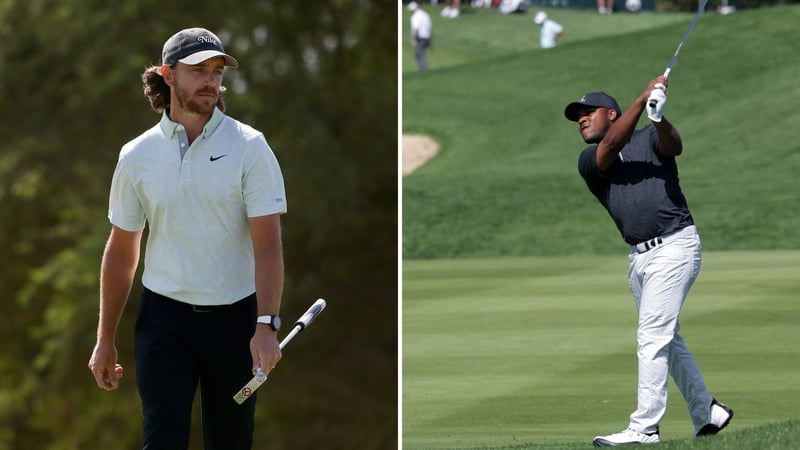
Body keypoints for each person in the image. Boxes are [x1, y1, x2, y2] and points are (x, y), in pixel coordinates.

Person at [87, 27, 287, 449]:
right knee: (161, 439)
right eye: (199, 70)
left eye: (217, 71)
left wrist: (266, 324)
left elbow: (268, 243)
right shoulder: (136, 155)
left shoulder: (250, 146)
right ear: (168, 75)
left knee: (230, 442)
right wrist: (105, 340)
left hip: (235, 323)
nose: (211, 80)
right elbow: (123, 253)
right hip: (165, 321)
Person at [564, 77, 734, 446]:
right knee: (668, 340)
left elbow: (675, 145)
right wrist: (644, 98)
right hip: (639, 258)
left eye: (587, 112)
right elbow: (611, 145)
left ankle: (645, 427)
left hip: (675, 244)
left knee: (652, 336)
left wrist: (657, 116)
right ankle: (707, 411)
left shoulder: (647, 137)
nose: (581, 120)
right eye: (577, 116)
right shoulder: (588, 159)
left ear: (611, 113)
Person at [409, 2, 433, 71]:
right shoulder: (426, 15)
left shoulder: (415, 16)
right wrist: (431, 40)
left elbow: (416, 28)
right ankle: (422, 68)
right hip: (427, 37)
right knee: (418, 54)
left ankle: (423, 69)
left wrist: (414, 39)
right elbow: (430, 27)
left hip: (420, 37)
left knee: (421, 53)